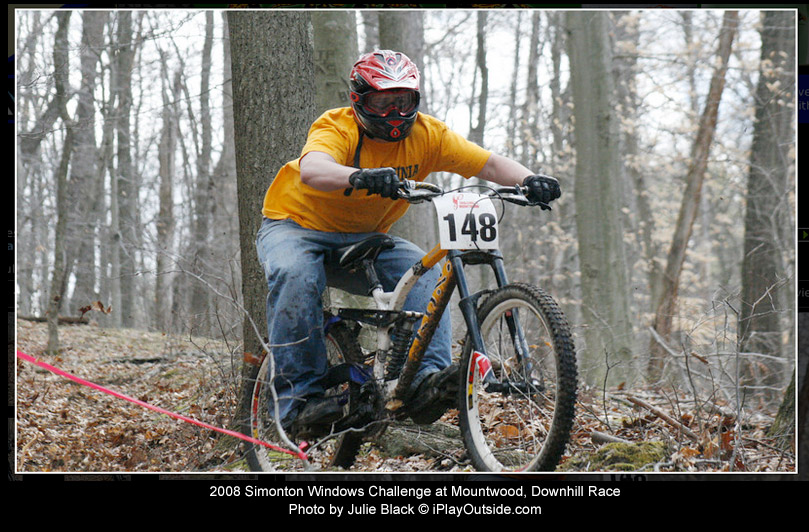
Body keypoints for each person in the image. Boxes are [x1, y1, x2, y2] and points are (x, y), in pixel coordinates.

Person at [256, 50, 560, 438]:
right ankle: (298, 401)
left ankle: (422, 382)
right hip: (294, 227)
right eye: (381, 104)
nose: (394, 114)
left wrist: (529, 180)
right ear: (358, 101)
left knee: (425, 272)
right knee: (294, 274)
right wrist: (359, 176)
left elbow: (487, 164)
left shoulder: (429, 136)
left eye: (402, 102)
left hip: (364, 237)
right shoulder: (337, 126)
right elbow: (313, 169)